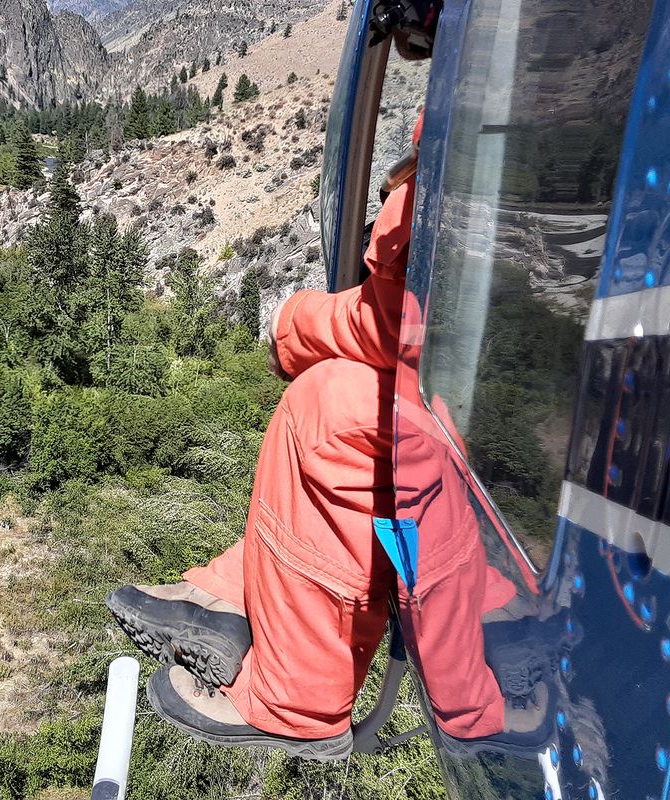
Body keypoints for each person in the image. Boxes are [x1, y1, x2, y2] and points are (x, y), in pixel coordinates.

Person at [106, 0, 549, 757]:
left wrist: (295, 324)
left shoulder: (489, 118)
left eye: (424, 22)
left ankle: (300, 699)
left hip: (514, 410)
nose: (417, 47)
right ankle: (244, 593)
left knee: (339, 413)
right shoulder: (500, 112)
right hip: (524, 387)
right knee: (336, 401)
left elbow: (403, 326)